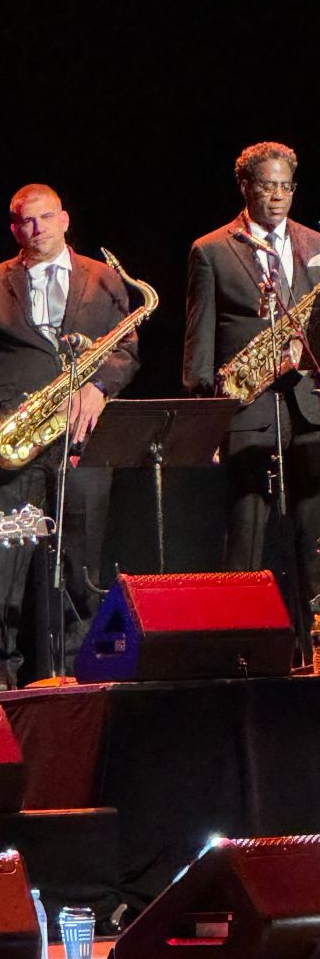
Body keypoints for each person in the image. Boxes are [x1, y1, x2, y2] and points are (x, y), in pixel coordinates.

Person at [0, 183, 139, 690]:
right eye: (25, 221)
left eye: (45, 218)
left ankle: (82, 672)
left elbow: (127, 351)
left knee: (81, 565)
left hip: (81, 439)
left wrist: (99, 387)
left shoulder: (105, 278)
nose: (36, 229)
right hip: (12, 443)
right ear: (15, 229)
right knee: (2, 566)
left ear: (64, 219)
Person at [183, 140, 320, 661]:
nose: (279, 196)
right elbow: (199, 348)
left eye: (287, 186)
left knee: (311, 536)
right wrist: (208, 421)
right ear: (245, 187)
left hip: (309, 406)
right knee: (246, 536)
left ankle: (309, 650)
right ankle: (238, 651)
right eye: (268, 186)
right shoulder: (212, 250)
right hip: (247, 408)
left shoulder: (314, 244)